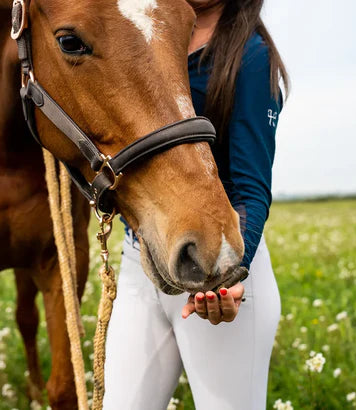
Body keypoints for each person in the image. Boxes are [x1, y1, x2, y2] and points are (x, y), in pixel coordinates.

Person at [103, 0, 289, 408]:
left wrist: (228, 276)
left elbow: (251, 187)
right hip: (141, 263)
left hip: (216, 264)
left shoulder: (252, 58)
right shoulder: (146, 35)